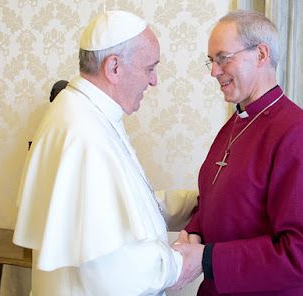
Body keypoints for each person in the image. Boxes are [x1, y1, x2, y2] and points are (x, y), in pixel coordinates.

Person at [13, 10, 197, 296]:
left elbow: (123, 209)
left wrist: (191, 205)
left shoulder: (87, 112)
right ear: (113, 68)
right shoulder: (83, 134)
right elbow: (113, 268)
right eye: (150, 68)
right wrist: (182, 261)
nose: (154, 81)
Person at [170, 10, 303, 295]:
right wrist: (196, 232)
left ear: (261, 55)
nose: (214, 71)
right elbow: (218, 201)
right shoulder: (236, 123)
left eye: (223, 58)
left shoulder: (300, 134)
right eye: (211, 61)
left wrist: (208, 259)